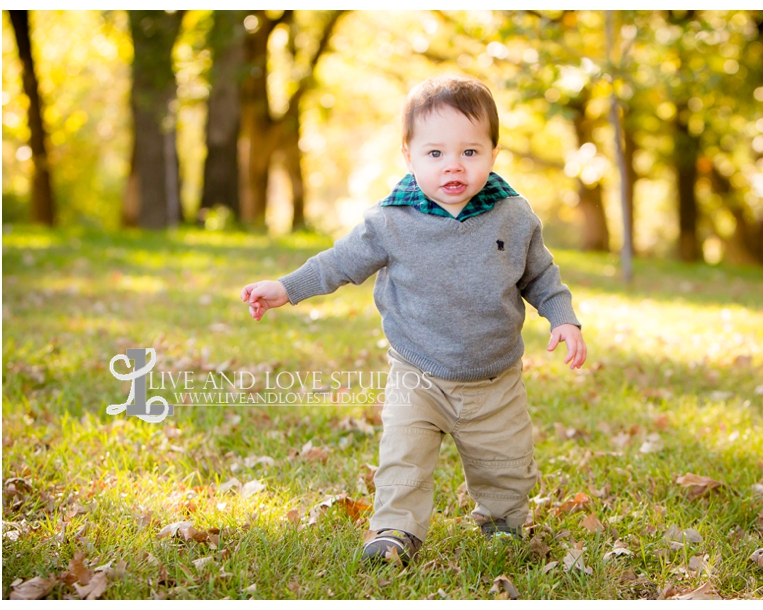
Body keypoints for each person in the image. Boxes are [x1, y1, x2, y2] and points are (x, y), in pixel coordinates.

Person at [240, 74, 587, 565]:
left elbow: (541, 277)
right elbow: (338, 263)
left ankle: (502, 523)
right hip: (417, 372)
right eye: (435, 153)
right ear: (408, 155)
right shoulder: (389, 220)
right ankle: (394, 533)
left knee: (505, 464)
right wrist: (284, 289)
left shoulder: (514, 216)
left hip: (495, 377)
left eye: (471, 152)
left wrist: (563, 319)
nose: (454, 166)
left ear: (493, 153)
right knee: (403, 459)